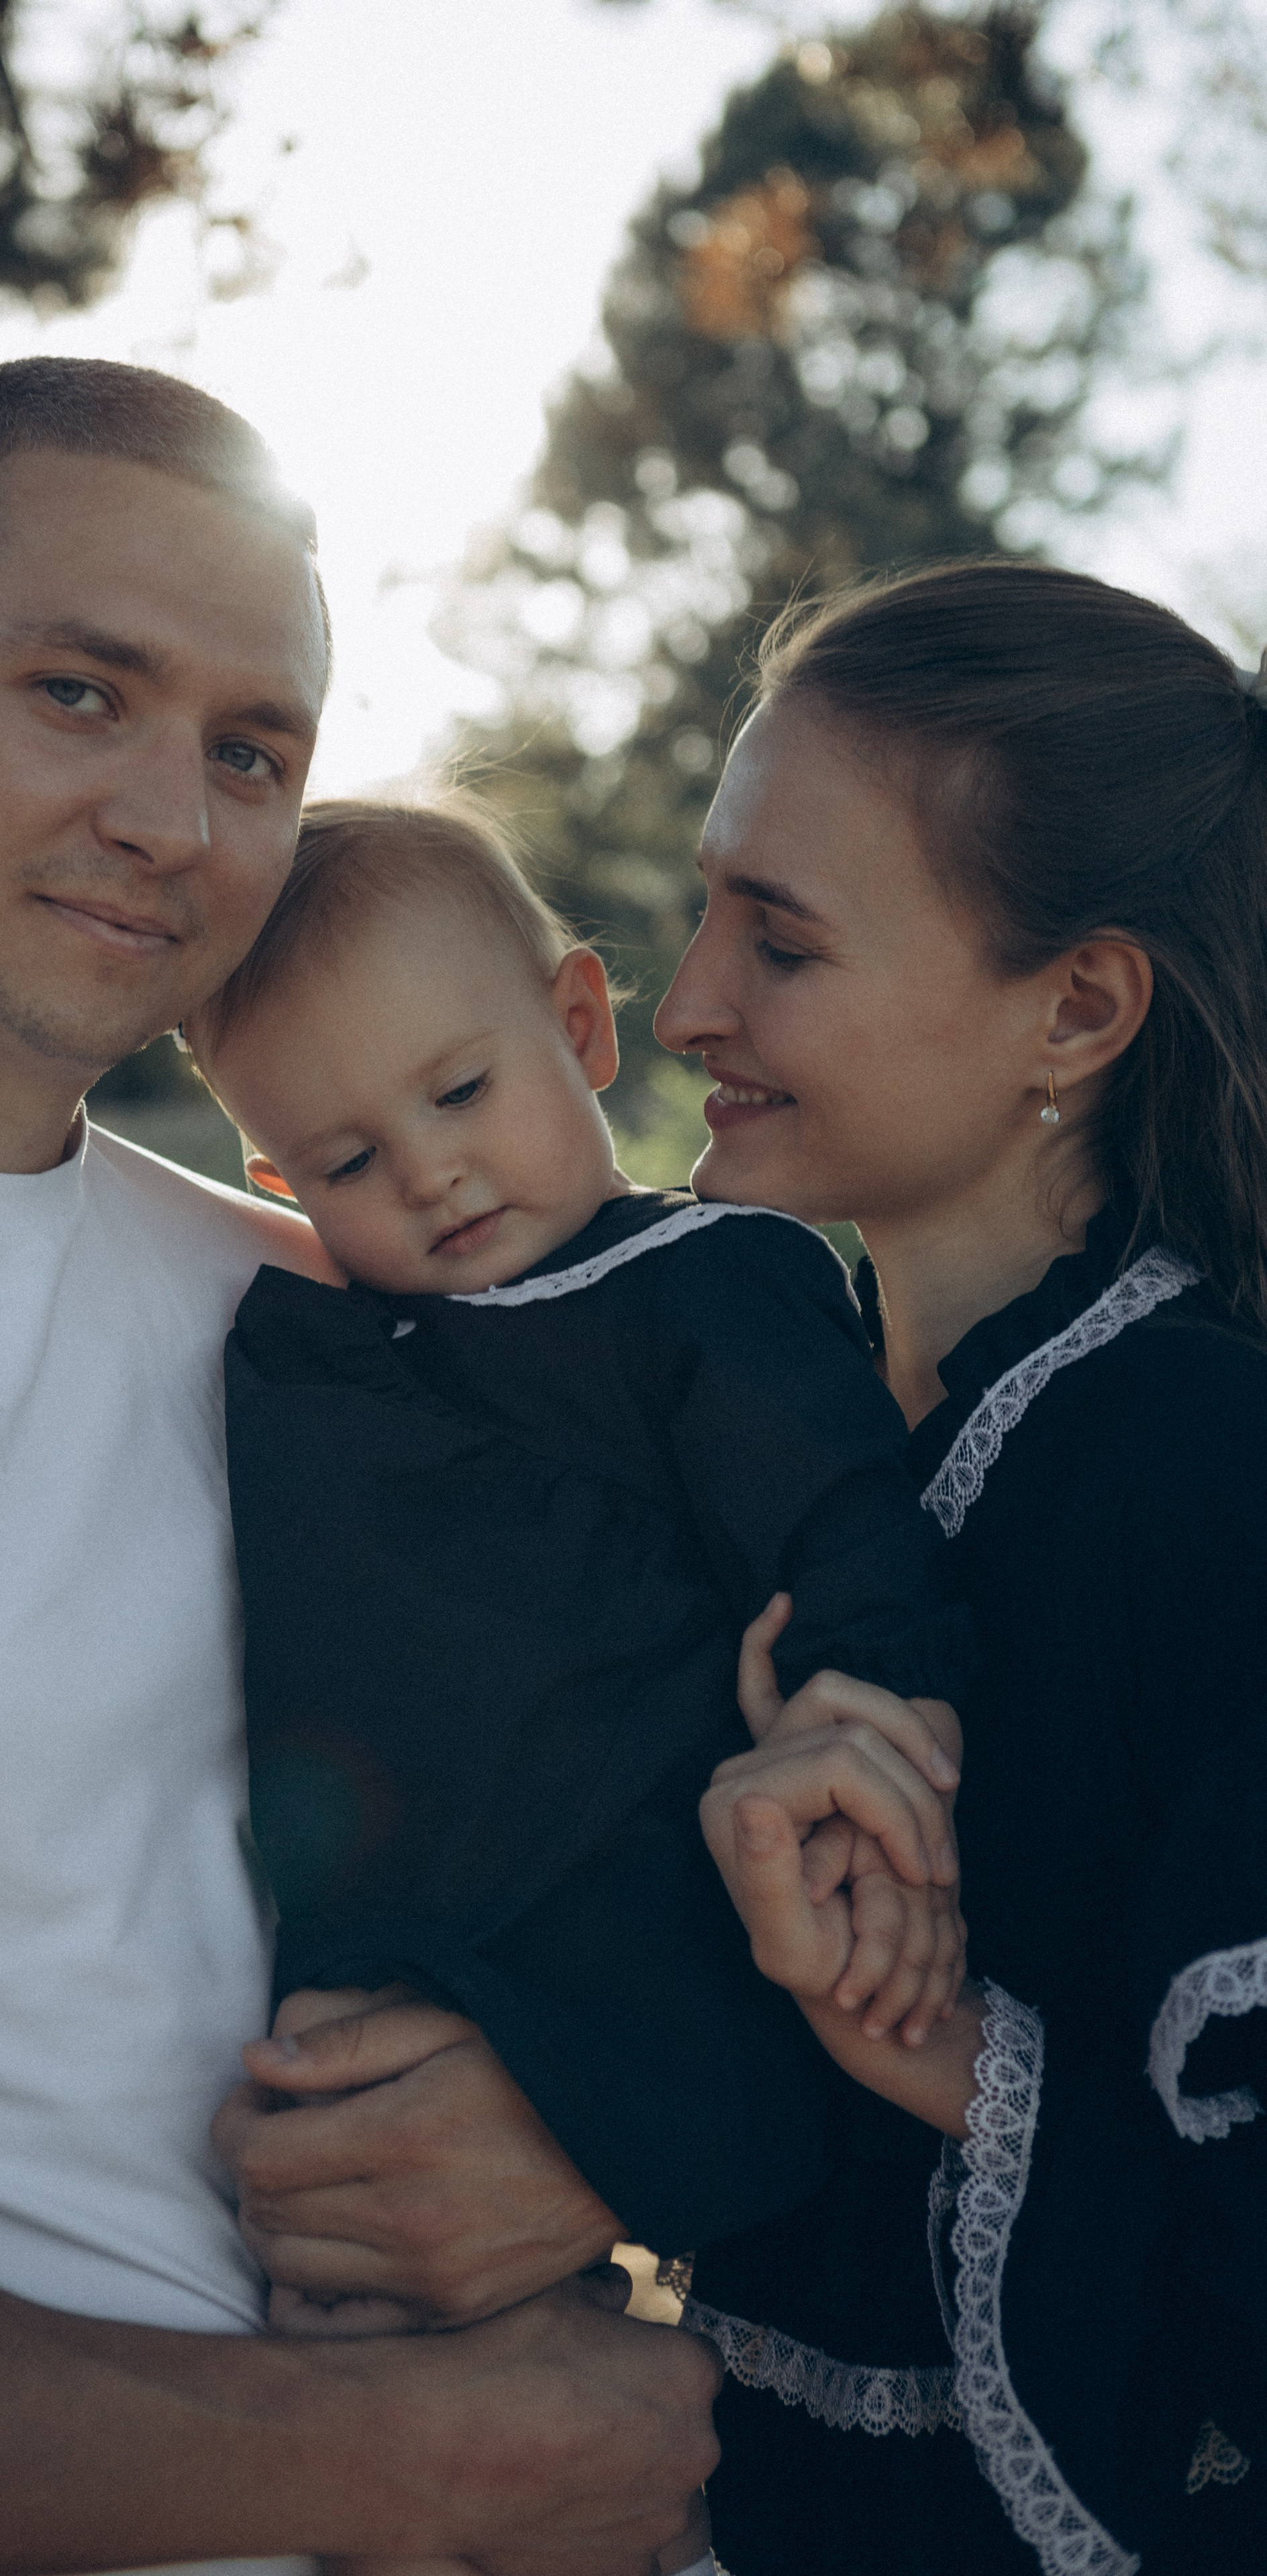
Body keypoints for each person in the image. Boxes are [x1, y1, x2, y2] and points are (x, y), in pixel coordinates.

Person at [0, 356, 722, 2576]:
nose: (177, 826)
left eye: (251, 751)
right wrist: (421, 2462)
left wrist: (600, 2120)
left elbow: (706, 1763)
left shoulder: (336, 1316)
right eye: (80, 692)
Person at [653, 560, 1267, 2575]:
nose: (684, 1008)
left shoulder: (1206, 1473)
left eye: (784, 939)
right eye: (704, 908)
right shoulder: (752, 1433)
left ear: (1079, 1006)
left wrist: (937, 2049)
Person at [186, 794, 969, 2318]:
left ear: (579, 1023)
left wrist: (869, 1710)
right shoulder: (342, 1348)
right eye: (346, 1159)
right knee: (356, 2335)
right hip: (384, 1943)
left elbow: (842, 1529)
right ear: (279, 1188)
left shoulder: (704, 1284)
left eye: (462, 1090)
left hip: (622, 1915)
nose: (428, 1175)